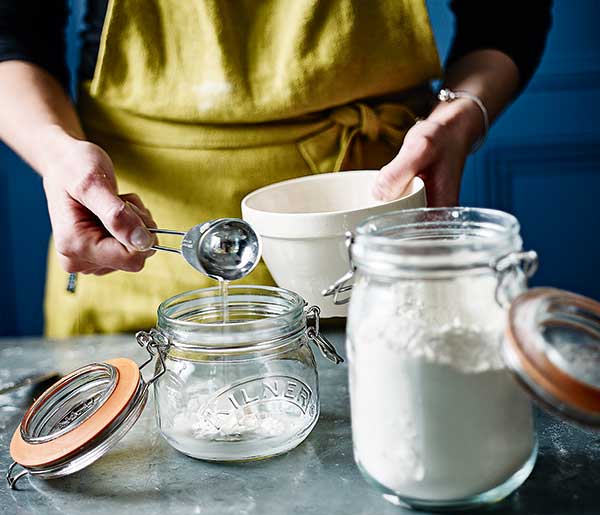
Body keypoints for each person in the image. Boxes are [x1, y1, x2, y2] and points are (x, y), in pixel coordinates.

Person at [0, 1, 552, 337]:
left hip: (373, 233)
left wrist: (462, 114)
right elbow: (12, 30)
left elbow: (506, 14)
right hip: (137, 232)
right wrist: (57, 153)